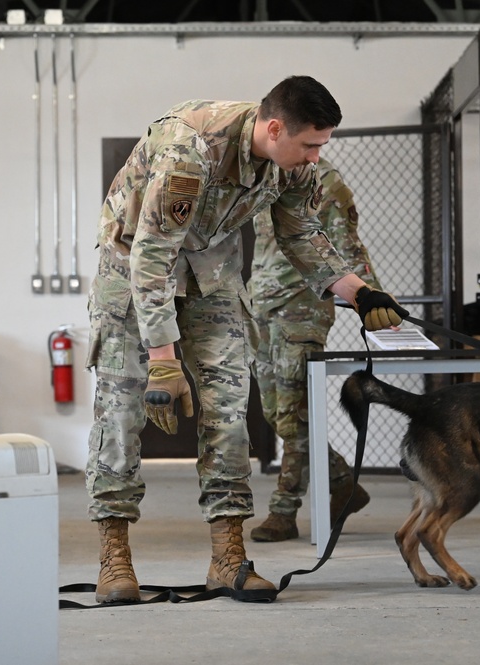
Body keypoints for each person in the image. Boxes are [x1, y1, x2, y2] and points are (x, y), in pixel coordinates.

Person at [84, 75, 408, 604]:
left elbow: (302, 235)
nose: (314, 157)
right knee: (122, 415)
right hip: (131, 275)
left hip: (212, 276)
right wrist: (164, 359)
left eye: (321, 145)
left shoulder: (295, 166)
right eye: (309, 144)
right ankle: (114, 558)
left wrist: (360, 292)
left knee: (229, 411)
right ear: (274, 127)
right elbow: (152, 256)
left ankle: (227, 557)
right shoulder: (192, 149)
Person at [249, 156, 383, 542]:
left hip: (302, 307)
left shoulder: (325, 180)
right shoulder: (264, 178)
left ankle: (284, 510)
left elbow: (348, 246)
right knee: (277, 413)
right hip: (263, 306)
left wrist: (370, 300)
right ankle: (342, 481)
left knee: (294, 410)